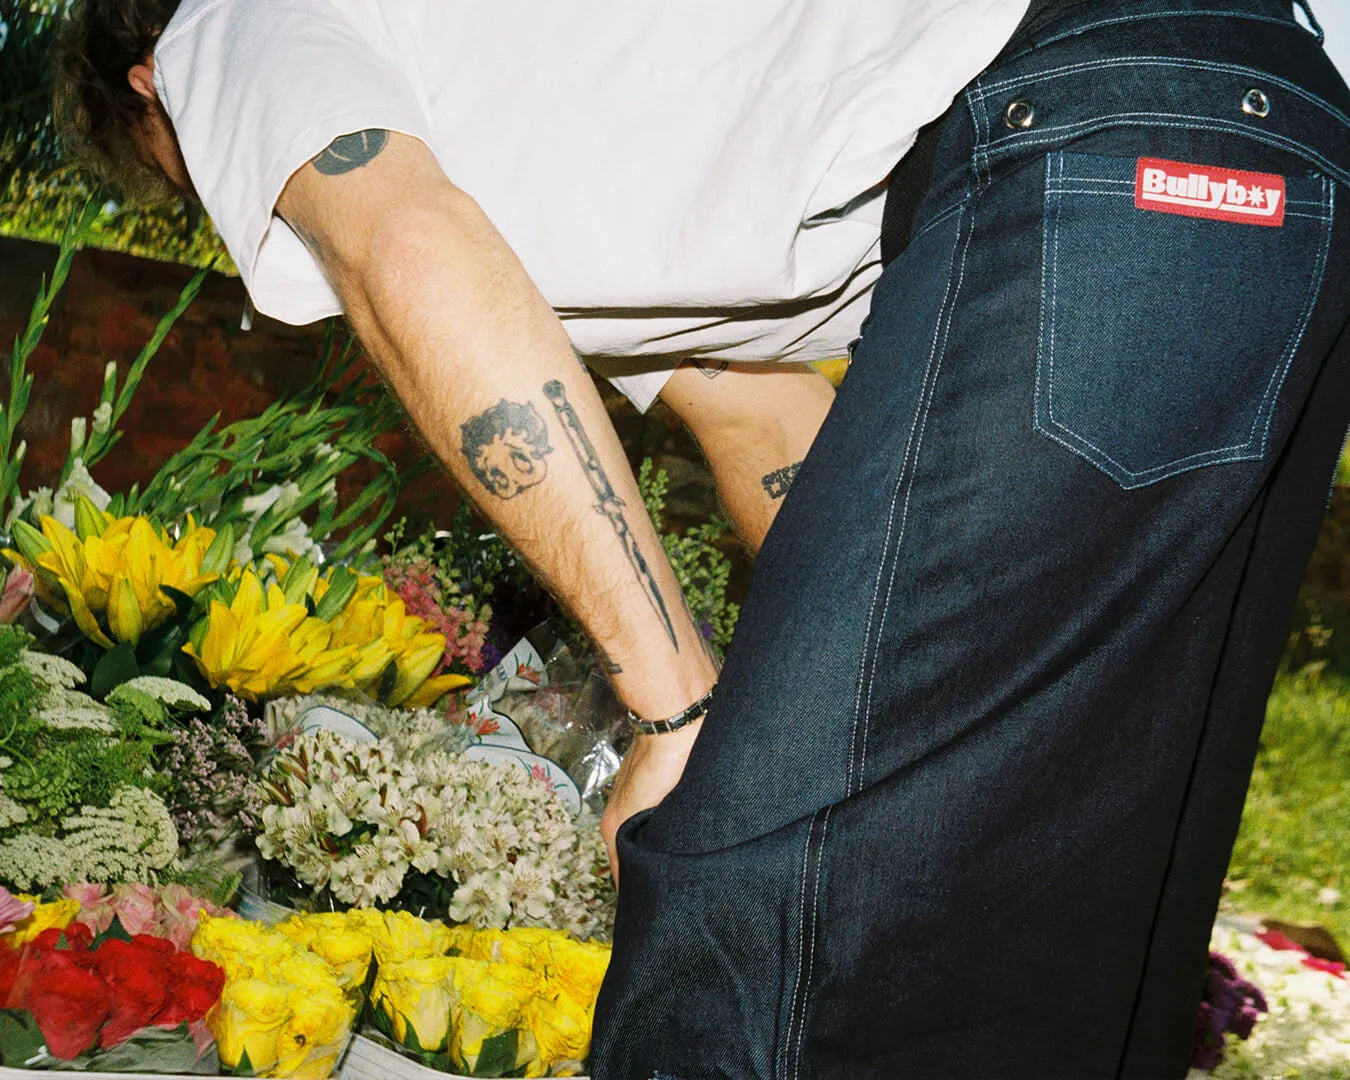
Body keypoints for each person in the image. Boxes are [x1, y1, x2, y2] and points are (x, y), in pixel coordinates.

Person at [53, 0, 1350, 1076]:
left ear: (146, 90)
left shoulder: (222, 28)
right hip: (1223, 136)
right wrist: (788, 712)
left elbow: (401, 246)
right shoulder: (595, 157)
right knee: (1038, 902)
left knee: (755, 932)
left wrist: (678, 715)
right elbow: (759, 425)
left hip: (1100, 123)